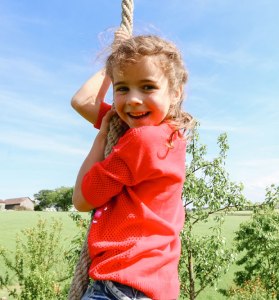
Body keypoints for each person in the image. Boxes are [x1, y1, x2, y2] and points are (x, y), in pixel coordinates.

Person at [71, 34, 195, 299]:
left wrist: (101, 137)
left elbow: (81, 199)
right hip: (145, 286)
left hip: (121, 286)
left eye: (148, 87)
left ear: (175, 92)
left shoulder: (142, 139)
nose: (133, 100)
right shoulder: (170, 137)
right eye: (122, 88)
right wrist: (114, 63)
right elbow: (82, 101)